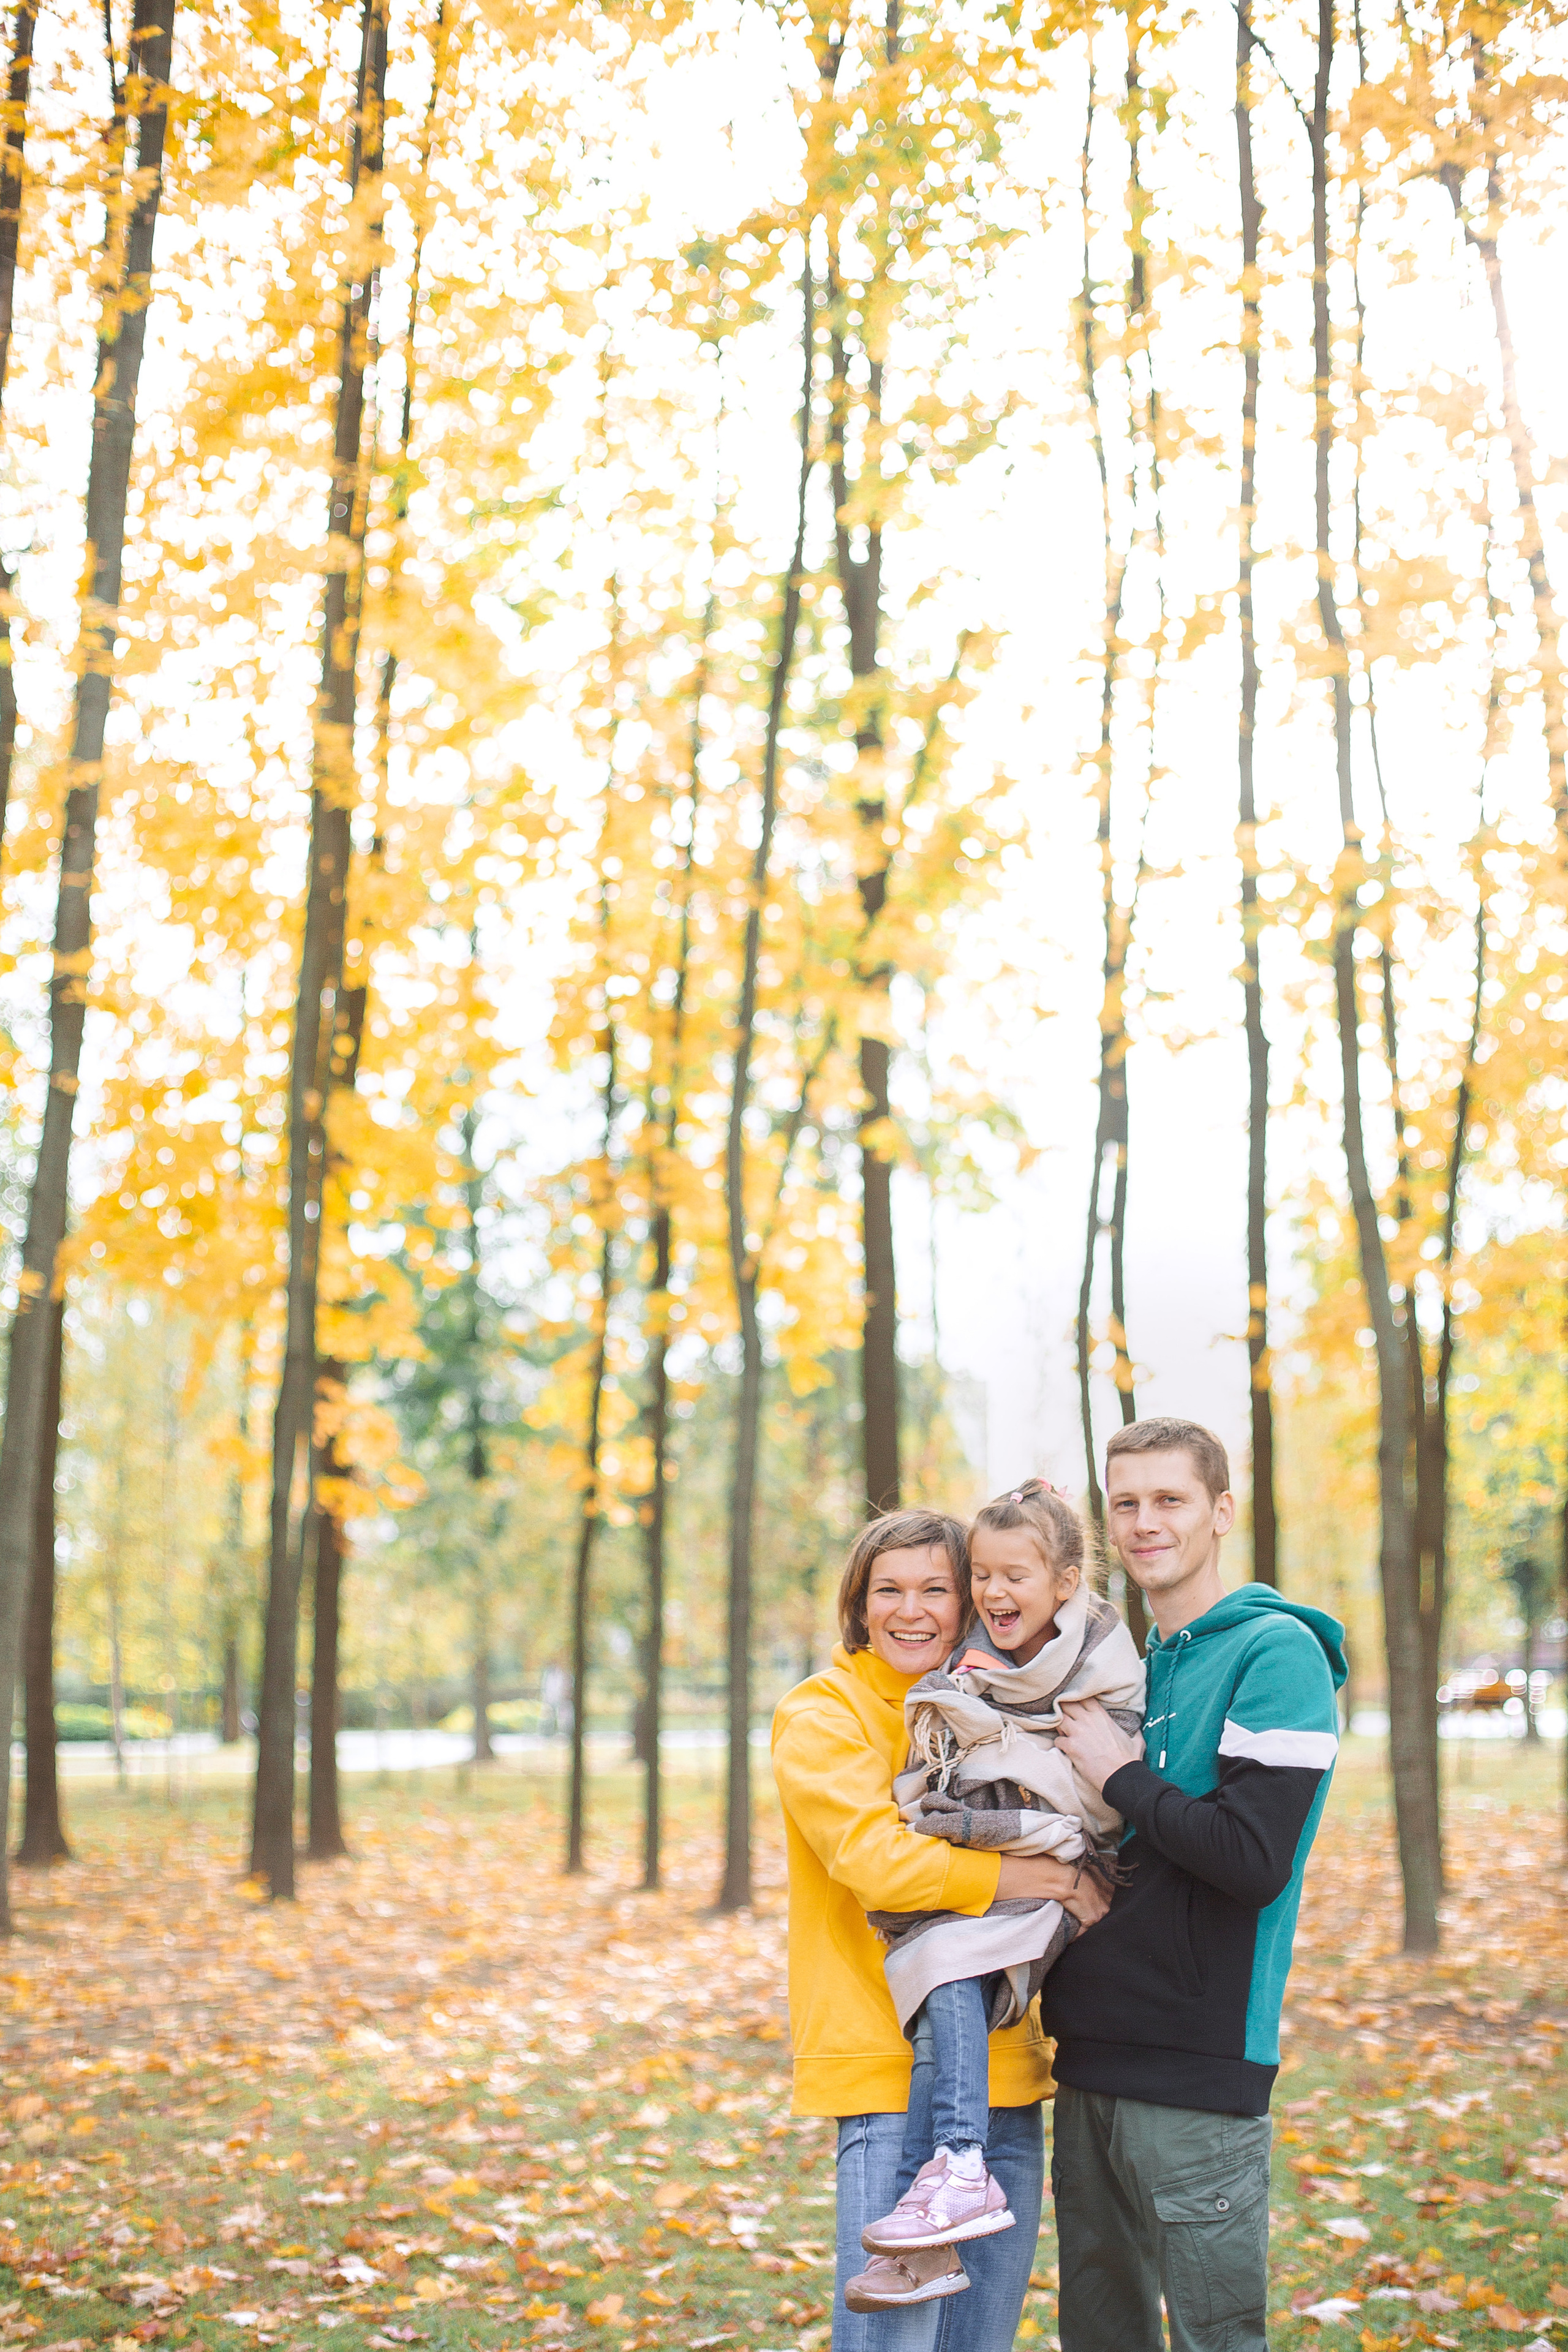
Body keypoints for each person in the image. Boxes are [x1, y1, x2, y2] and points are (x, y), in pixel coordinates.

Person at [771, 1507, 1110, 2350]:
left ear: (971, 1604)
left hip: (1005, 2080)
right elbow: (877, 1862)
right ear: (859, 1604)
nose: (911, 1610)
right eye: (889, 1590)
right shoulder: (825, 1713)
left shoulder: (997, 1702)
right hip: (890, 2082)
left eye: (936, 1589)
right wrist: (1033, 1877)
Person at [1047, 1416, 1347, 2352]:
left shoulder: (1276, 1653)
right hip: (1089, 2060)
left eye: (1169, 1499)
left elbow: (1254, 1862)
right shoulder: (1132, 1665)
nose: (1145, 1523)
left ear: (1220, 1512)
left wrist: (1120, 1772)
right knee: (1102, 2339)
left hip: (1196, 2072)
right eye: (1125, 1503)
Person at [856, 1480, 1144, 2264]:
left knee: (946, 1960)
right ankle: (931, 2229)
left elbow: (1099, 1780)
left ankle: (955, 2168)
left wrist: (1004, 1764)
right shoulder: (976, 1658)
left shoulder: (1096, 1656)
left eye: (1013, 1575)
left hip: (1064, 1850)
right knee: (941, 1971)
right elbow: (956, 1743)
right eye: (981, 1574)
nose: (992, 1591)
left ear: (1064, 1582)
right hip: (1007, 1858)